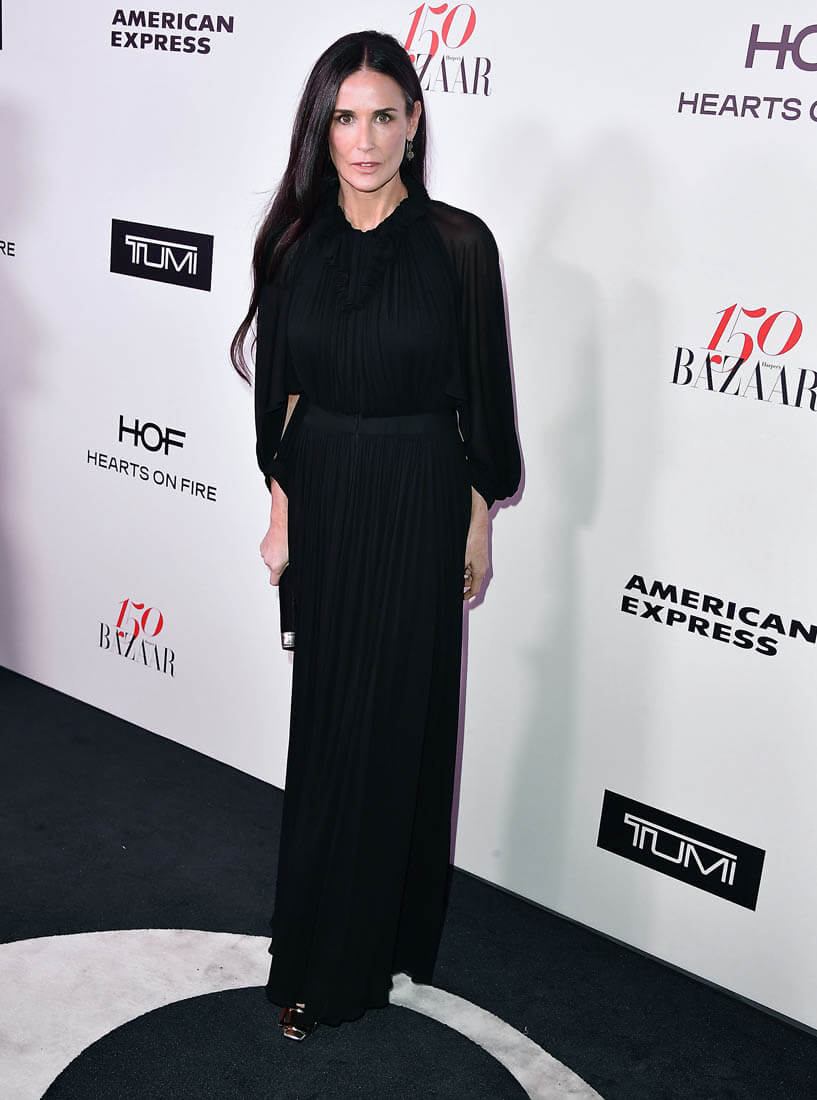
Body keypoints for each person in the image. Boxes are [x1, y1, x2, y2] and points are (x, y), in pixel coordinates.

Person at [231, 29, 521, 1041]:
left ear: (414, 123)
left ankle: (365, 950)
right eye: (344, 118)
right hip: (326, 495)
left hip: (418, 495)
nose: (363, 139)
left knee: (394, 722)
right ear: (322, 128)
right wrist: (281, 514)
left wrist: (477, 519)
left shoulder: (459, 245)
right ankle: (316, 947)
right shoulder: (294, 247)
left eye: (383, 116)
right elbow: (281, 396)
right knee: (327, 730)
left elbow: (480, 402)